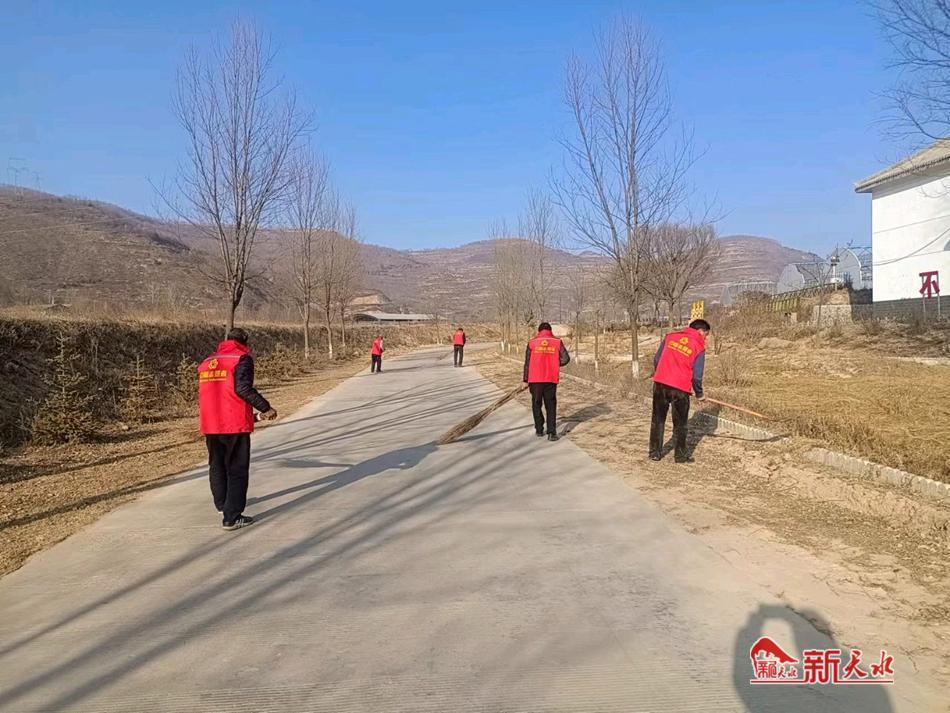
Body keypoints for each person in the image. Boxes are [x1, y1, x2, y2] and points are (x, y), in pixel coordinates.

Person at [198, 327, 276, 530]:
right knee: (237, 469)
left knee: (217, 465)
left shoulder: (207, 361)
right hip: (233, 423)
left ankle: (222, 504)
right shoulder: (241, 358)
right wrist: (265, 407)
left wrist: (257, 416)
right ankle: (232, 517)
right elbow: (242, 388)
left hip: (211, 422)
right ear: (245, 341)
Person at [649, 318, 710, 463]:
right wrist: (699, 394)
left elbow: (657, 359)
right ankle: (680, 456)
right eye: (706, 335)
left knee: (657, 419)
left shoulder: (670, 337)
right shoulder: (698, 346)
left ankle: (654, 453)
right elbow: (697, 376)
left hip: (660, 384)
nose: (705, 338)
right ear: (700, 331)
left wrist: (662, 373)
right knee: (680, 423)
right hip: (680, 388)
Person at [523, 322, 571, 441]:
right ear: (550, 330)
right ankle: (551, 433)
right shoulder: (557, 342)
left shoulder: (532, 342)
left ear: (539, 331)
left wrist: (525, 380)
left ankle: (539, 429)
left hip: (535, 379)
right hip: (550, 378)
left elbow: (527, 363)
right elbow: (566, 358)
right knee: (550, 405)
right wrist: (554, 363)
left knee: (536, 403)